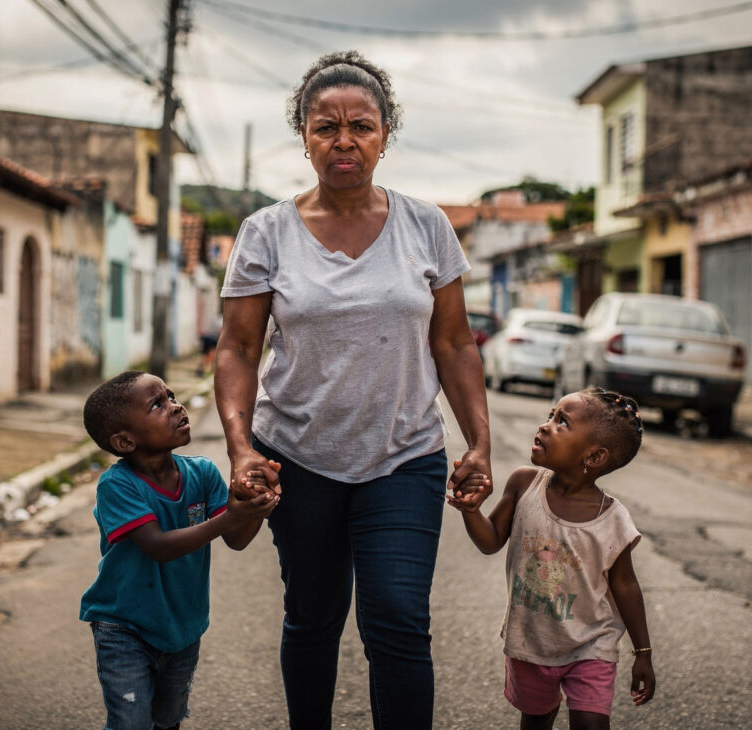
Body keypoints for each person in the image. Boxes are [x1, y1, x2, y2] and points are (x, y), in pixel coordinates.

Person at [214, 50, 492, 729]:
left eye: (361, 126)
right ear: (304, 136)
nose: (344, 141)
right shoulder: (266, 232)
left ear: (386, 134)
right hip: (298, 457)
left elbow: (454, 342)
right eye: (325, 126)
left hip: (403, 456)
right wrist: (240, 447)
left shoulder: (427, 227)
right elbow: (238, 348)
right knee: (312, 617)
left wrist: (480, 441)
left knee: (398, 617)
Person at [79, 371, 279, 730]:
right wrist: (230, 518)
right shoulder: (117, 485)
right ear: (125, 442)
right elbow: (157, 546)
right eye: (158, 404)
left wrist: (256, 505)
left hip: (183, 626)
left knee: (168, 719)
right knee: (130, 723)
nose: (176, 407)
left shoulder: (202, 473)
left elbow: (236, 538)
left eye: (171, 396)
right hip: (123, 626)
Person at [448, 388, 656, 730]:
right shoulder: (524, 484)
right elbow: (490, 541)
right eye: (550, 415)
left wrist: (643, 652)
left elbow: (626, 585)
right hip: (532, 641)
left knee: (591, 724)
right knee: (536, 720)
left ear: (594, 456)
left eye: (562, 422)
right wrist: (471, 511)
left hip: (592, 644)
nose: (545, 426)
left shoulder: (613, 519)